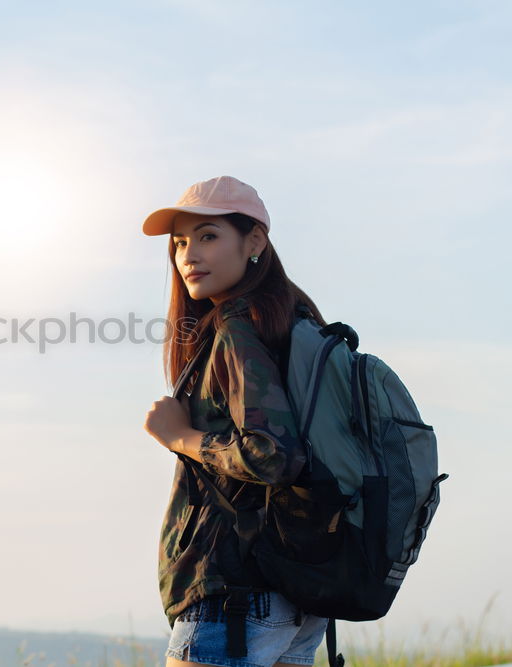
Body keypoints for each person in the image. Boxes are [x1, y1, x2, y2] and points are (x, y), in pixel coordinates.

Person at [142, 175, 331, 667]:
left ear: (254, 242)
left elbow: (274, 454)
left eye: (207, 236)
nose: (188, 255)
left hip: (235, 597)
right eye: (180, 242)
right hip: (298, 595)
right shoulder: (297, 320)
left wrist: (181, 436)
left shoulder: (238, 327)